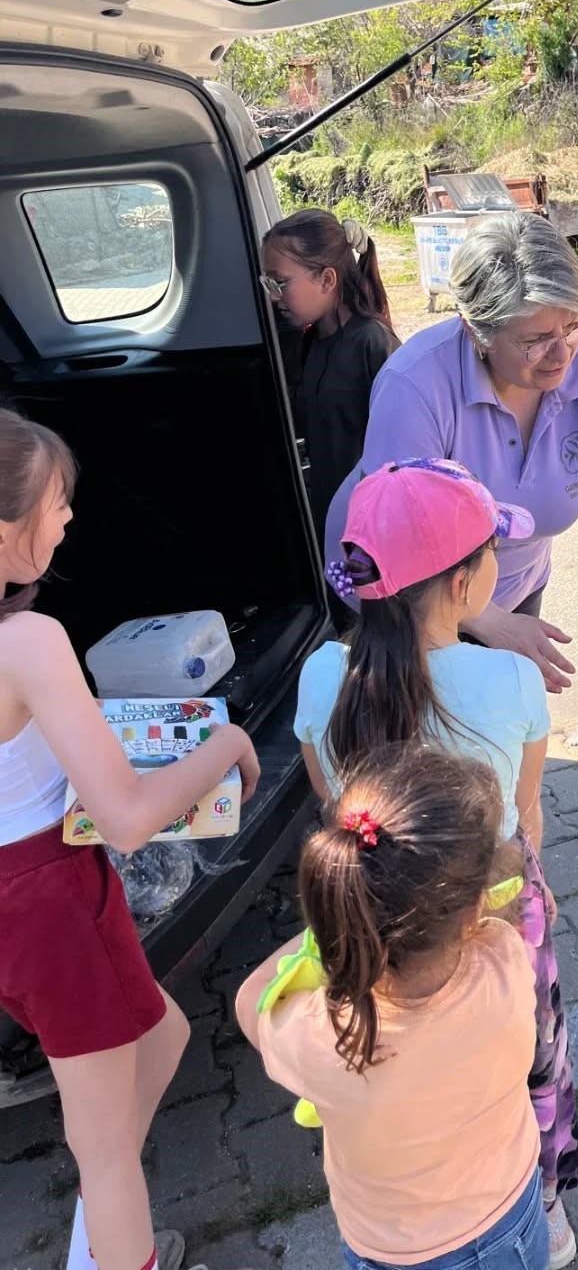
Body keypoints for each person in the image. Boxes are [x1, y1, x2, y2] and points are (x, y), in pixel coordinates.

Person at [295, 458, 578, 1266]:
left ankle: (410, 1184)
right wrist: (533, 884)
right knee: (529, 1053)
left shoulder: (321, 675)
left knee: (399, 1057)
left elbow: (331, 799)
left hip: (372, 907)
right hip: (492, 904)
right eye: (492, 551)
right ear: (462, 584)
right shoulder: (510, 679)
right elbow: (523, 814)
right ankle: (542, 1199)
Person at [0, 409, 261, 1270]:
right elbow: (127, 817)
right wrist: (225, 743)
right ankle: (114, 1249)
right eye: (56, 500)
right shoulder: (28, 642)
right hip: (53, 905)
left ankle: (98, 1242)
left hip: (14, 911)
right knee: (107, 1153)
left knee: (164, 1036)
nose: (68, 516)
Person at [325, 211, 578, 692]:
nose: (563, 354)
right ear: (476, 332)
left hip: (508, 586)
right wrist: (492, 624)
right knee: (415, 728)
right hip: (404, 602)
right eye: (535, 341)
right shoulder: (414, 385)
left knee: (503, 715)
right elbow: (396, 542)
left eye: (572, 326)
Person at [235, 745, 548, 1270]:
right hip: (512, 1218)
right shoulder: (505, 961)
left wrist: (326, 934)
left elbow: (252, 999)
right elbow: (499, 917)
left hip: (396, 1252)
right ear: (472, 909)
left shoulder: (325, 1037)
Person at [262, 209, 399, 541]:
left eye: (281, 283)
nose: (274, 296)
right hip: (330, 515)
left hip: (372, 525)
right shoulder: (309, 341)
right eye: (268, 283)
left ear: (326, 280)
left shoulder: (372, 342)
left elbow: (404, 444)